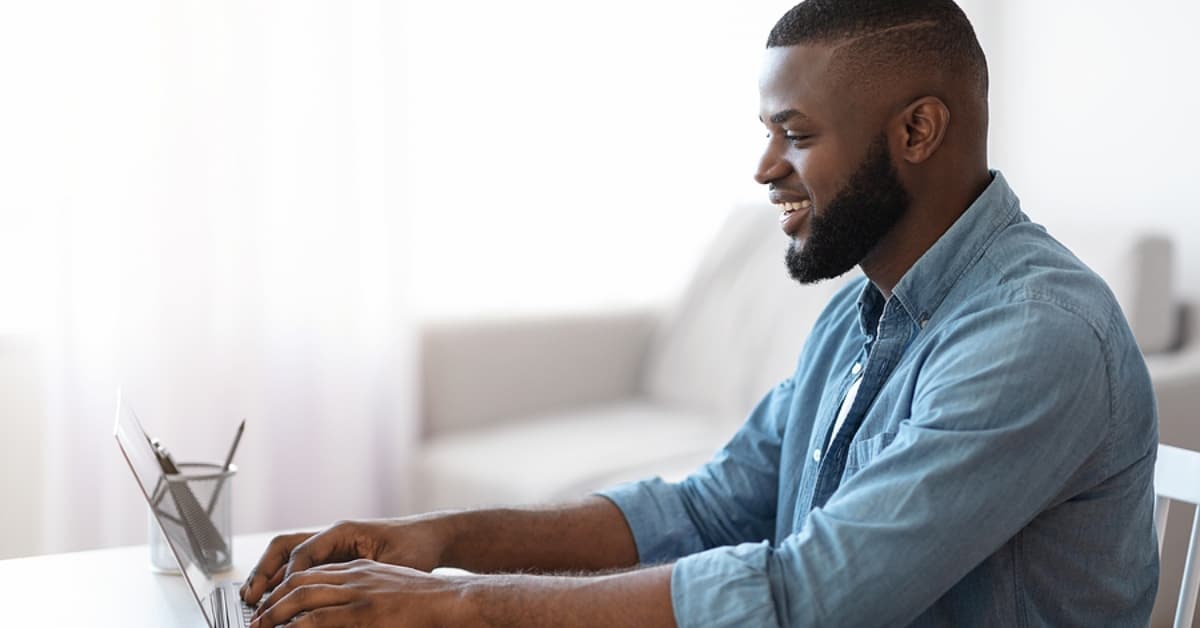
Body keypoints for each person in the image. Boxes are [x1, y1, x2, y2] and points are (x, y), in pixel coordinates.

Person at [242, 0, 1160, 625]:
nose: (765, 170)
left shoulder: (1036, 336)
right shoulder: (862, 314)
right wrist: (438, 540)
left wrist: (455, 605)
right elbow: (710, 507)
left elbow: (811, 597)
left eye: (794, 135)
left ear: (916, 132)